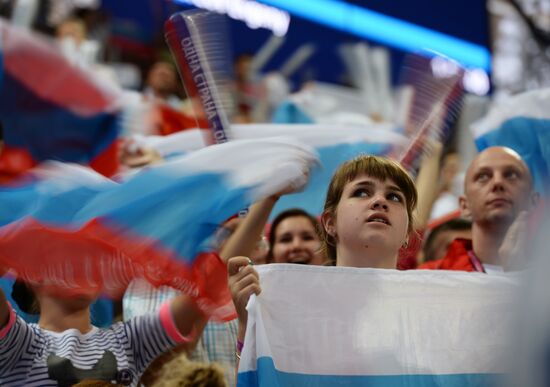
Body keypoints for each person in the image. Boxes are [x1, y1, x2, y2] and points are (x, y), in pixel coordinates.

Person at [229, 155, 418, 362]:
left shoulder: (429, 308)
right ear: (330, 223)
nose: (380, 201)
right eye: (362, 192)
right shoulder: (283, 305)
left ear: (408, 232)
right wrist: (248, 329)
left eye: (394, 197)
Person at [0, 275, 207, 386]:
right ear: (33, 273)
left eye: (92, 259)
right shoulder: (20, 344)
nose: (85, 267)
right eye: (70, 256)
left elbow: (205, 293)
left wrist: (235, 231)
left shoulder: (128, 340)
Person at [418, 146, 539, 272]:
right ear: (464, 205)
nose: (497, 182)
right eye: (483, 177)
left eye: (511, 175)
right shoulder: (431, 275)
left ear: (533, 201)